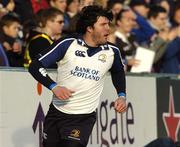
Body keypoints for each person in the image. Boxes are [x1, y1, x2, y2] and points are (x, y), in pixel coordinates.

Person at [29, 5, 127, 147]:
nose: (108, 29)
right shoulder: (68, 44)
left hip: (83, 118)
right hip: (57, 113)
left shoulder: (113, 51)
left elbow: (118, 72)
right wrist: (53, 86)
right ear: (90, 28)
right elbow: (35, 65)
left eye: (108, 24)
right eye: (103, 24)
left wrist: (122, 95)